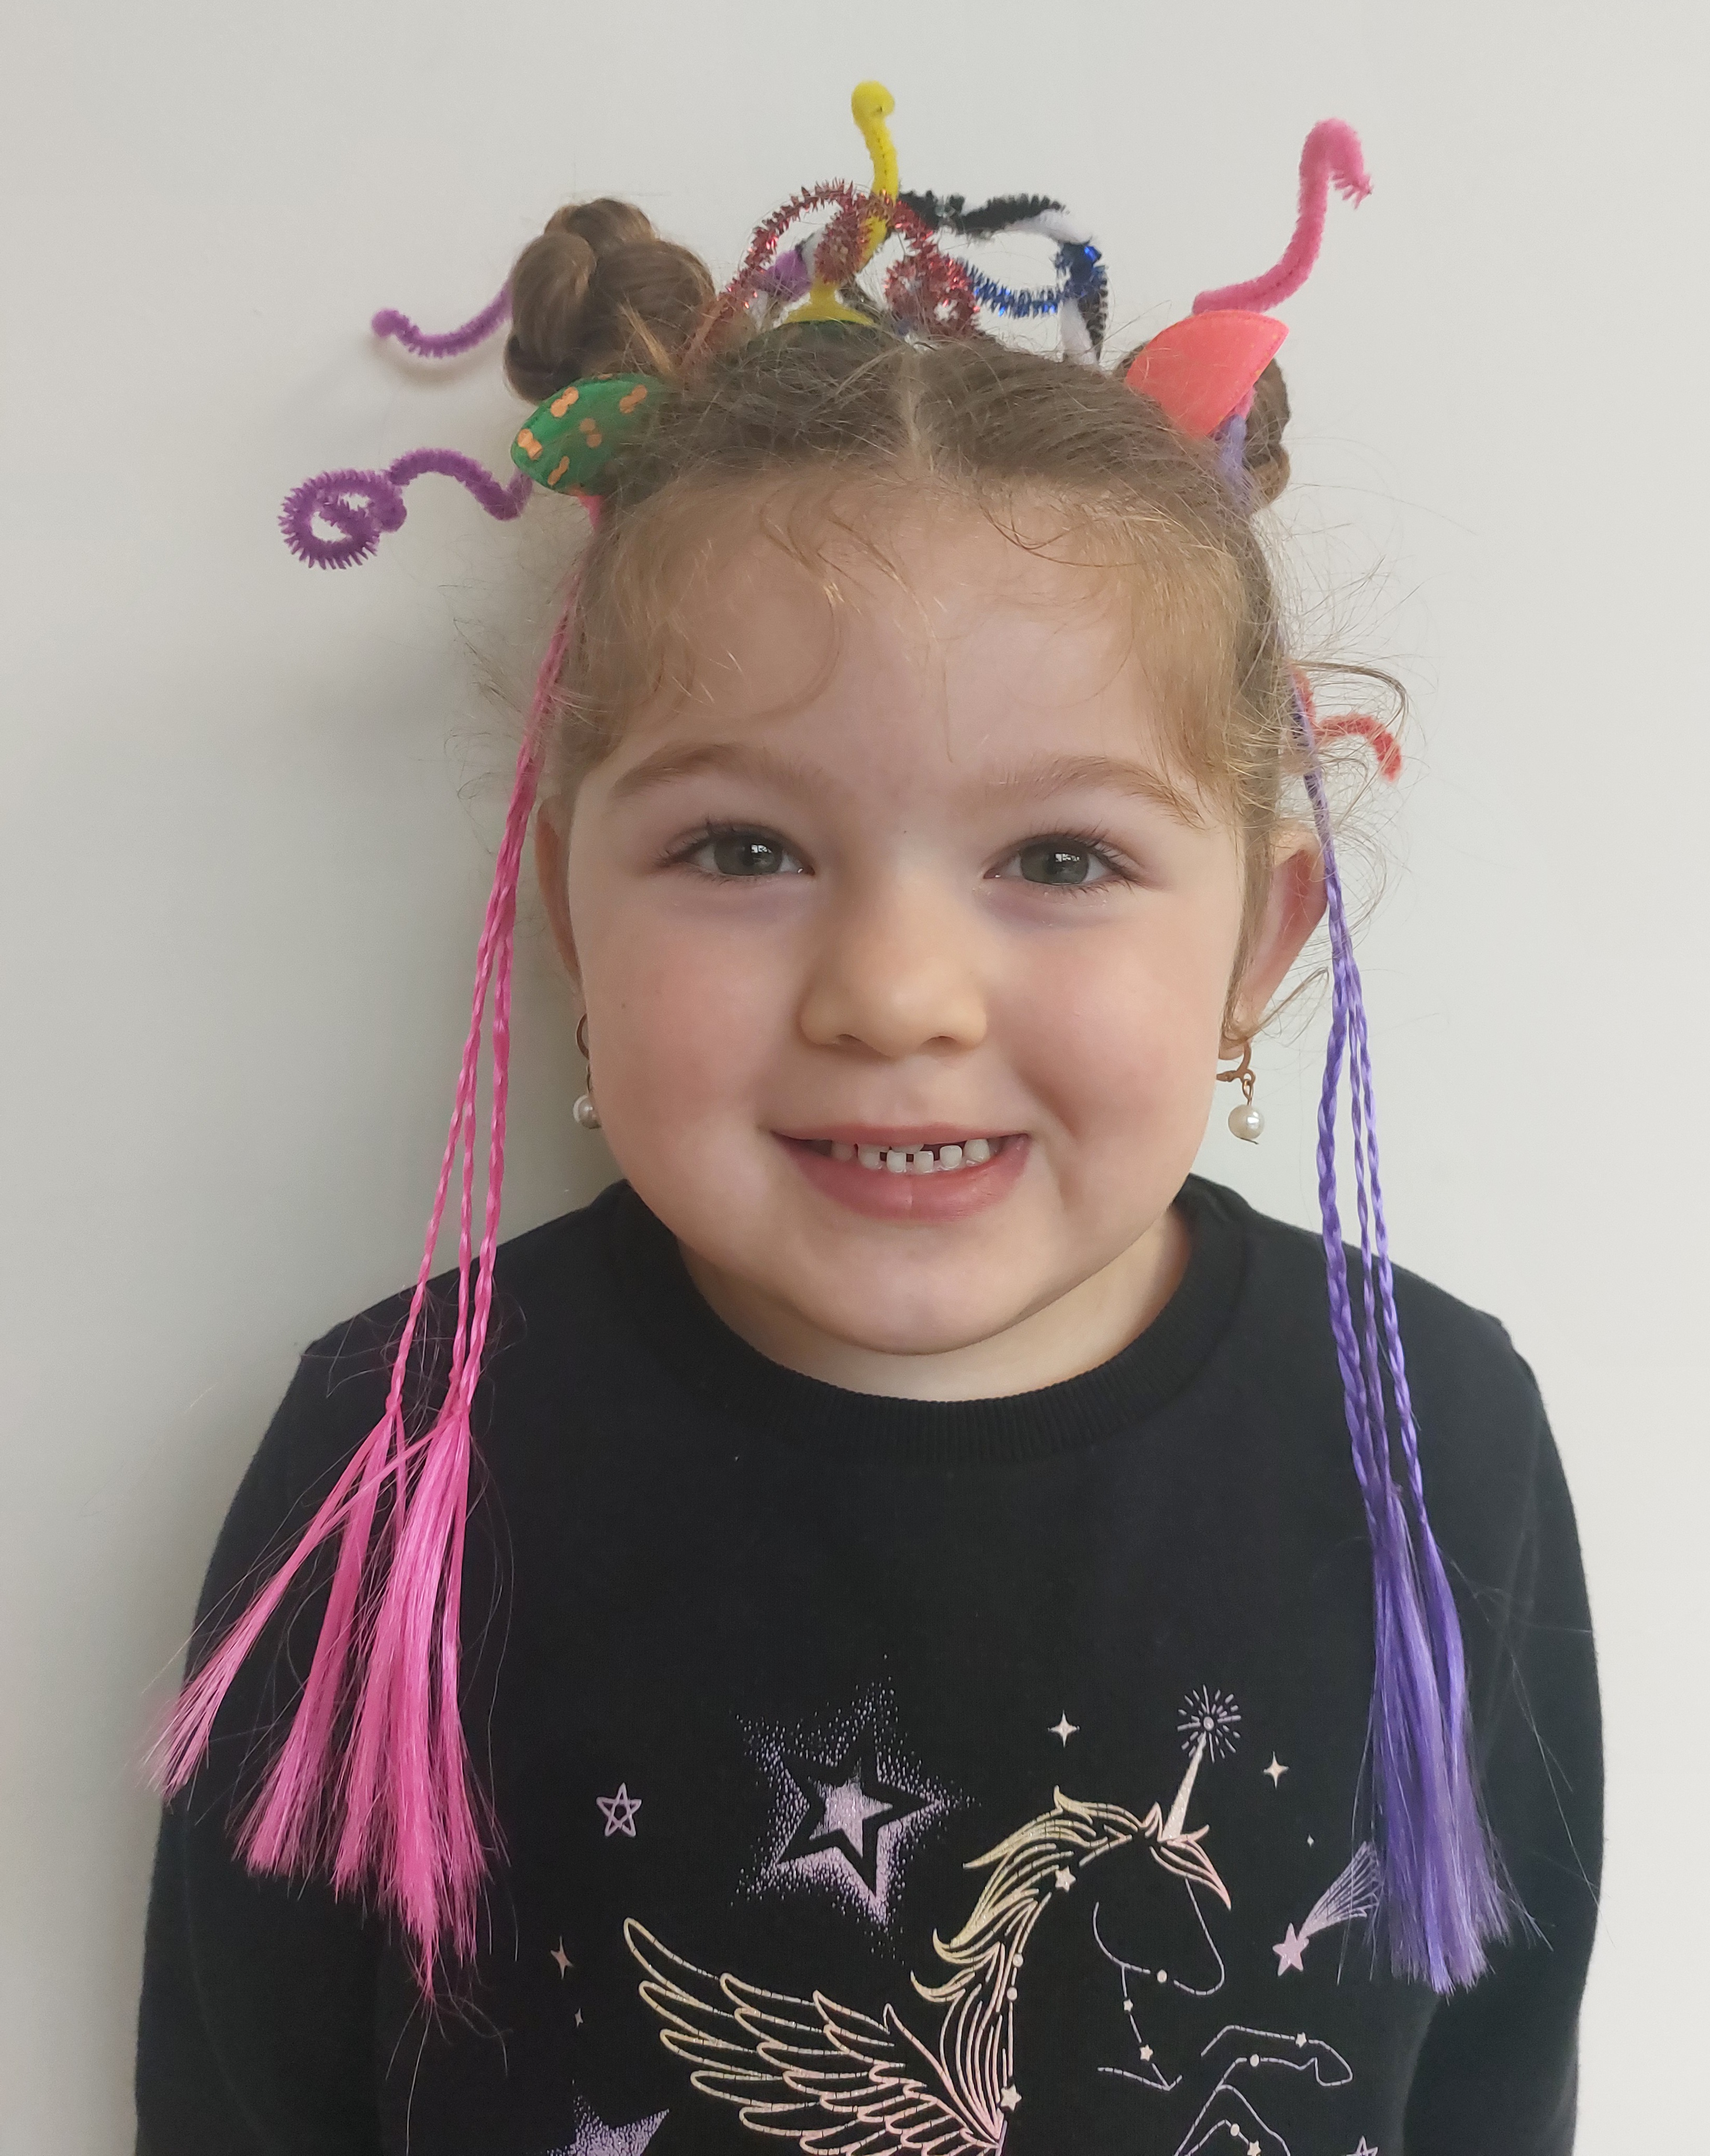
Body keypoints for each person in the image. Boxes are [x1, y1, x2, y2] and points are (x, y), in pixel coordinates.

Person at [135, 86, 1601, 2156]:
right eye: (742, 848)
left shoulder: (1431, 1430)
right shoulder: (402, 1446)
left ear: (1257, 945)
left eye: (1062, 859)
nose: (894, 994)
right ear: (570, 914)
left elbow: (1498, 2073)